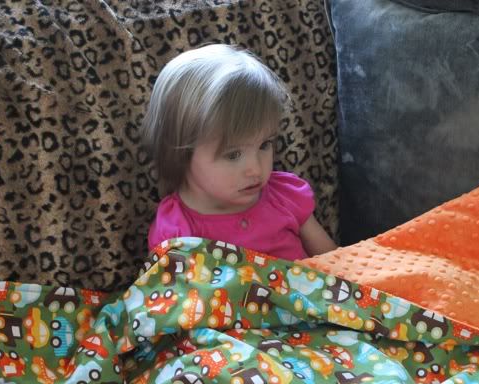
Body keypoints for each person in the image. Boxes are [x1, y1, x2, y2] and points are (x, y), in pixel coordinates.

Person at [142, 44, 336, 260]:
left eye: (264, 145)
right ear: (181, 153)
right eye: (233, 155)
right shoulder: (176, 232)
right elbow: (168, 283)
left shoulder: (284, 196)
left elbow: (335, 262)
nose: (256, 169)